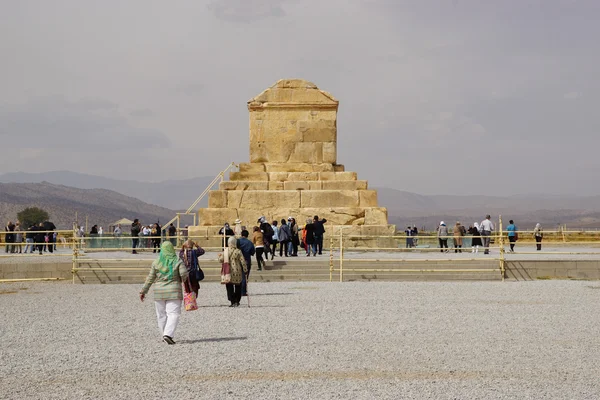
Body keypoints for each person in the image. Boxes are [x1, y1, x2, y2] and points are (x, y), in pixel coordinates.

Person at [139, 241, 189, 345]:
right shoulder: (177, 261)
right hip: (174, 291)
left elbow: (150, 278)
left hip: (159, 292)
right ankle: (168, 334)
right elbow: (184, 274)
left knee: (161, 315)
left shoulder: (156, 262)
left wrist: (143, 291)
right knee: (173, 313)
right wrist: (182, 280)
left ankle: (164, 335)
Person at [218, 237, 247, 307]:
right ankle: (237, 300)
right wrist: (245, 270)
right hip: (237, 271)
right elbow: (243, 261)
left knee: (229, 286)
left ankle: (232, 301)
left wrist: (219, 256)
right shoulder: (238, 251)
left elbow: (220, 260)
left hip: (228, 272)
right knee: (238, 286)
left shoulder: (225, 251)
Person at [237, 229, 255, 296]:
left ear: (241, 235)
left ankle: (238, 291)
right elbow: (252, 252)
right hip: (246, 260)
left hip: (238, 260)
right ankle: (243, 291)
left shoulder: (237, 241)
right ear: (247, 235)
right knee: (245, 276)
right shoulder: (250, 243)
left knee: (238, 276)